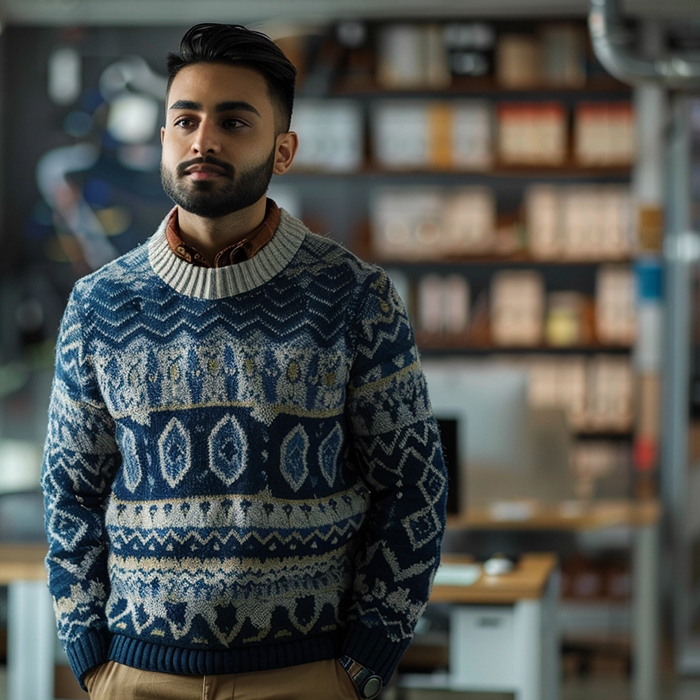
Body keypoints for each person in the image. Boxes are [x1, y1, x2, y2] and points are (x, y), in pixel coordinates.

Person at [41, 23, 447, 700]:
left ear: (283, 149)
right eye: (186, 119)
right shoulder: (99, 304)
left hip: (304, 677)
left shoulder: (353, 296)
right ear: (163, 140)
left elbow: (414, 490)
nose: (204, 139)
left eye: (234, 121)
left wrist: (361, 665)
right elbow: (70, 492)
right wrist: (89, 655)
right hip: (137, 678)